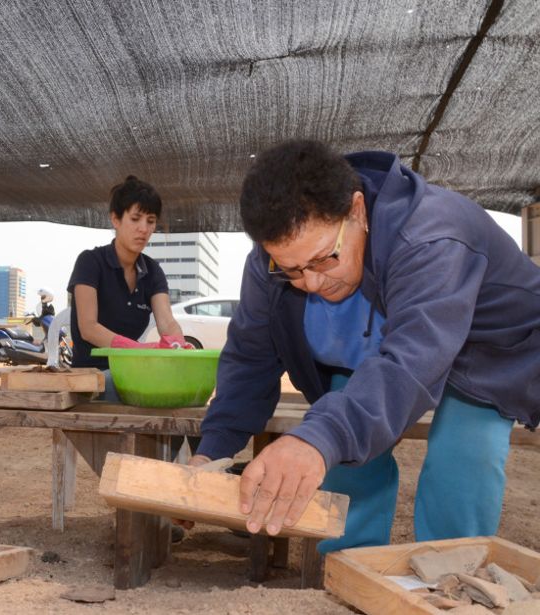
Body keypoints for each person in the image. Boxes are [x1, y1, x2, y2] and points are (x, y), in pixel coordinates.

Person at [187, 140, 540, 553]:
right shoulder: (273, 258)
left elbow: (411, 364)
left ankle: (450, 581)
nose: (312, 282)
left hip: (487, 350)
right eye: (292, 271)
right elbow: (251, 356)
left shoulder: (429, 235)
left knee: (460, 458)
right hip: (387, 346)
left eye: (323, 260)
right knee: (340, 453)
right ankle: (349, 569)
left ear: (357, 211)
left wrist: (320, 438)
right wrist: (210, 454)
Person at [67, 175, 190, 402]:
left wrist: (181, 348)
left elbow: (167, 322)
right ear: (115, 219)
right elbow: (88, 328)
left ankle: (191, 436)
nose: (143, 229)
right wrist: (137, 351)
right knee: (126, 386)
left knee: (185, 386)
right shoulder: (90, 262)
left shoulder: (152, 271)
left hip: (131, 371)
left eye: (151, 221)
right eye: (135, 219)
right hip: (90, 376)